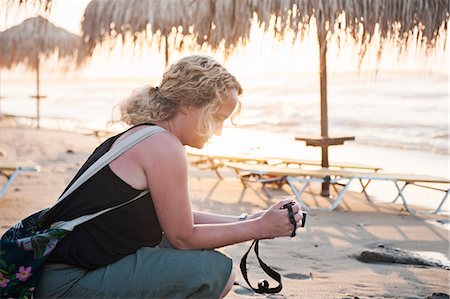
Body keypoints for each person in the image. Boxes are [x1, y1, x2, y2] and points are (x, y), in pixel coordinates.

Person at [35, 55, 303, 298]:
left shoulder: (144, 135)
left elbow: (176, 217)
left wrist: (248, 219)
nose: (218, 131)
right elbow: (182, 237)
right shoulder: (165, 147)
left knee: (214, 266)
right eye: (217, 118)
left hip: (58, 273)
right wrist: (259, 229)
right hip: (68, 284)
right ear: (188, 105)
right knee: (214, 271)